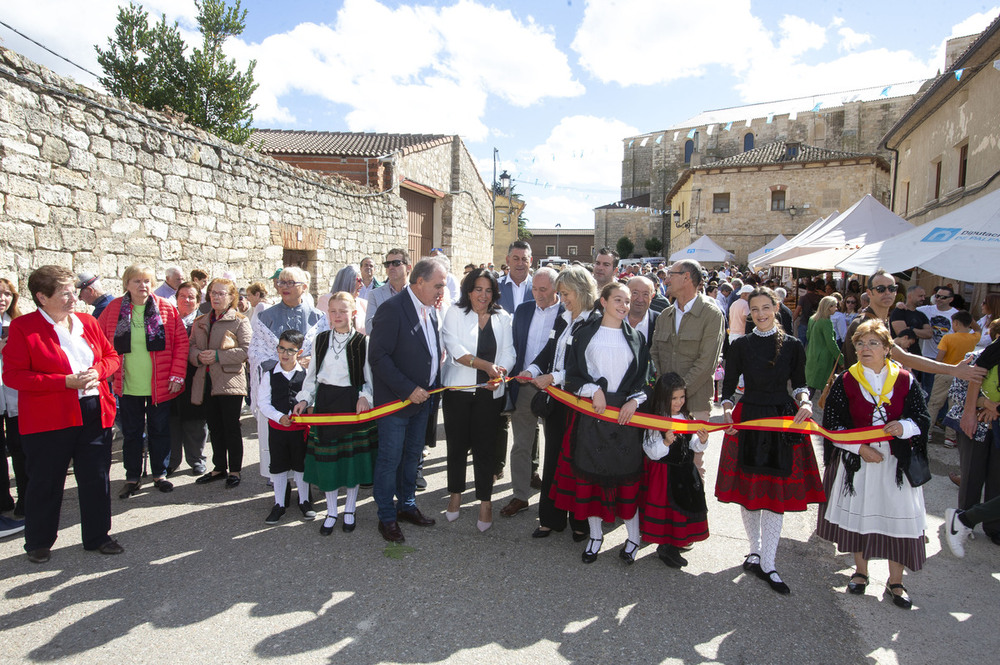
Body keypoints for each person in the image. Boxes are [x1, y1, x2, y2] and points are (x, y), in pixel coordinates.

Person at [2, 266, 123, 562]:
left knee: (96, 477)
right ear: (42, 297)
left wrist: (97, 371)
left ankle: (98, 536)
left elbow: (111, 357)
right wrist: (64, 382)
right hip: (49, 418)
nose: (74, 298)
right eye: (65, 293)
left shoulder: (86, 322)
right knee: (46, 480)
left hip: (94, 412)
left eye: (73, 290)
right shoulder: (24, 328)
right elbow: (14, 376)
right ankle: (39, 542)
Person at [717, 287, 825, 595]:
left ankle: (769, 562)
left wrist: (805, 402)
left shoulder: (792, 345)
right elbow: (728, 390)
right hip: (749, 418)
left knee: (774, 493)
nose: (761, 313)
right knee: (751, 490)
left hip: (781, 420)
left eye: (766, 307)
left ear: (775, 308)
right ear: (748, 312)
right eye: (755, 309)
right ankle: (754, 550)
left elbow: (800, 384)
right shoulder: (740, 345)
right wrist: (727, 409)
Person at [816, 320, 930, 610]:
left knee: (897, 518)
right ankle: (860, 572)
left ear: (887, 348)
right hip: (861, 463)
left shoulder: (904, 379)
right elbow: (832, 425)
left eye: (872, 343)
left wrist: (903, 427)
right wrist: (859, 448)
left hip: (895, 465)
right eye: (860, 344)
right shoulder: (846, 380)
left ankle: (896, 582)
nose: (865, 349)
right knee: (861, 517)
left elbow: (921, 418)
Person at [554, 282, 653, 564]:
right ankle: (595, 536)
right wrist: (592, 389)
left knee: (627, 479)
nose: (625, 305)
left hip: (625, 418)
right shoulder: (585, 335)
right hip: (592, 417)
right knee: (593, 479)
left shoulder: (636, 338)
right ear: (603, 302)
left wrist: (635, 400)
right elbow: (572, 373)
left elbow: (646, 377)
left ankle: (633, 537)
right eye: (618, 300)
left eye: (627, 300)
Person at [368, 257, 448, 543]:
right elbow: (378, 357)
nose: (442, 291)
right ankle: (387, 517)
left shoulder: (431, 309)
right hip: (396, 403)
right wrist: (407, 389)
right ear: (420, 281)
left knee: (412, 457)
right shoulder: (392, 309)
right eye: (438, 285)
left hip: (423, 401)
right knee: (390, 459)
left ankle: (407, 505)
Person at [516, 265, 596, 541]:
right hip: (556, 402)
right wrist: (532, 370)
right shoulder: (563, 318)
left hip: (579, 403)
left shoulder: (594, 321)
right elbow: (549, 352)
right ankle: (550, 518)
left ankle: (580, 522)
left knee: (577, 464)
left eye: (566, 293)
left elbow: (586, 368)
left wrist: (554, 377)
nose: (562, 299)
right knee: (552, 461)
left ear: (582, 291)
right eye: (560, 293)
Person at [97, 264, 188, 498]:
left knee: (159, 430)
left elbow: (180, 344)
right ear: (126, 284)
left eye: (146, 281)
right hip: (127, 385)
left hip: (160, 384)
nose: (143, 285)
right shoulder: (114, 309)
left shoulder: (166, 308)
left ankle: (160, 474)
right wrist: (104, 369)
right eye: (137, 281)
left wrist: (177, 375)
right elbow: (99, 341)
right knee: (132, 433)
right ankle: (132, 477)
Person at [293, 293, 376, 534]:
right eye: (333, 311)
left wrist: (364, 396)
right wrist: (304, 399)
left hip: (351, 405)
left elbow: (369, 379)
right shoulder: (320, 340)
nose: (337, 316)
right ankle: (331, 511)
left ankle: (349, 509)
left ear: (353, 314)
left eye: (342, 311)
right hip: (326, 405)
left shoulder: (363, 342)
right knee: (329, 462)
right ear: (328, 313)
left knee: (351, 462)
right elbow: (312, 378)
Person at [441, 268, 514, 531]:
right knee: (457, 447)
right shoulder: (454, 313)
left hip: (489, 394)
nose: (483, 295)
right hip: (457, 392)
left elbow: (509, 352)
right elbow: (455, 349)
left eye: (488, 290)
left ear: (494, 293)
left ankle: (485, 501)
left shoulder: (503, 317)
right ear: (468, 291)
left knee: (485, 449)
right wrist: (486, 366)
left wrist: (500, 373)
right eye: (478, 289)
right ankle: (455, 496)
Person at [248, 266, 328, 482]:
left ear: (303, 287)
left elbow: (324, 350)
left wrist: (310, 361)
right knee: (279, 433)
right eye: (281, 282)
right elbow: (256, 352)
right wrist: (284, 364)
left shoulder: (319, 317)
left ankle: (306, 480)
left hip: (307, 386)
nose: (284, 286)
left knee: (304, 437)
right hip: (277, 385)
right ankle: (279, 479)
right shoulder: (266, 316)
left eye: (290, 282)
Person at [501, 267, 560, 519]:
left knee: (555, 444)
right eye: (534, 289)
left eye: (543, 290)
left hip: (556, 390)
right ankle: (520, 495)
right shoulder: (524, 310)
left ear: (556, 289)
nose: (537, 294)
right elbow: (514, 344)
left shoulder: (567, 313)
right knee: (521, 444)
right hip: (525, 385)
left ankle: (555, 496)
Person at [640, 372, 710, 568]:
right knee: (668, 512)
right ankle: (666, 546)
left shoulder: (686, 416)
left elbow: (693, 445)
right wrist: (664, 442)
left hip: (685, 473)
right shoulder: (656, 421)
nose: (679, 402)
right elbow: (651, 451)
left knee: (683, 509)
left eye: (682, 397)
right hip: (665, 475)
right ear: (664, 398)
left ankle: (677, 541)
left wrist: (702, 441)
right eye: (674, 398)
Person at [189, 278, 252, 488]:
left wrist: (217, 355)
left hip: (230, 381)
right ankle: (219, 467)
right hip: (206, 381)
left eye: (221, 293)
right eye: (213, 293)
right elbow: (190, 348)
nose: (216, 297)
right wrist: (198, 356)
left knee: (231, 427)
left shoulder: (240, 321)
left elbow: (246, 350)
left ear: (231, 297)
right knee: (214, 427)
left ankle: (235, 470)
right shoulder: (200, 321)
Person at [259, 330, 311, 524]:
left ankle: (304, 501)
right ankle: (279, 504)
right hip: (278, 430)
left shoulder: (305, 375)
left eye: (291, 350)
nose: (285, 354)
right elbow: (263, 402)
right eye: (282, 348)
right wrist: (279, 416)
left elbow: (309, 397)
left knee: (301, 465)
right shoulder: (270, 374)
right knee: (279, 466)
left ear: (300, 351)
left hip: (299, 431)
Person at [954, 330, 1000, 546]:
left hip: (997, 422)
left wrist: (995, 408)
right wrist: (981, 405)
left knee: (997, 478)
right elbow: (958, 391)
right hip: (976, 425)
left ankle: (993, 527)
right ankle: (964, 521)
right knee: (972, 473)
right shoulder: (976, 357)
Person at [167, 281, 208, 476]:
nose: (187, 300)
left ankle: (197, 459)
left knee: (195, 422)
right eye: (182, 296)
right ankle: (172, 461)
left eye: (191, 297)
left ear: (198, 300)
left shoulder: (203, 322)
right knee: (171, 421)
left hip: (194, 378)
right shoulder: (166, 320)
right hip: (169, 378)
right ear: (176, 299)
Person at [928, 311, 981, 445]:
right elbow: (979, 329)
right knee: (955, 406)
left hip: (945, 372)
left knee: (934, 403)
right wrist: (970, 320)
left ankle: (927, 432)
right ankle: (950, 437)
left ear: (955, 323)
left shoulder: (948, 338)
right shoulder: (974, 337)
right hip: (963, 375)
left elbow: (939, 358)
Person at [1, 277, 26, 521]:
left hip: (16, 395)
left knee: (20, 447)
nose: (3, 298)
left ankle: (26, 500)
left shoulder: (19, 323)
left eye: (7, 294)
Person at [365, 249, 411, 332]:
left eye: (396, 263)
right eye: (387, 264)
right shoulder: (375, 294)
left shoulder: (417, 293)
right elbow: (369, 328)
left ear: (408, 268)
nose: (391, 267)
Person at [805, 295, 841, 397]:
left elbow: (808, 336)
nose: (836, 308)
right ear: (829, 307)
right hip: (823, 359)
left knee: (811, 386)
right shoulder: (826, 322)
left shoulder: (813, 319)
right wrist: (840, 359)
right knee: (824, 388)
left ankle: (802, 409)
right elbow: (831, 343)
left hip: (811, 355)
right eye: (835, 306)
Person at [319, 265, 368, 335]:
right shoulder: (326, 300)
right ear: (348, 281)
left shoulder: (364, 304)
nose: (362, 285)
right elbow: (322, 327)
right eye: (359, 280)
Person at [497, 240, 533, 314]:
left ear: (531, 261)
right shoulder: (495, 286)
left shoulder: (538, 288)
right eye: (516, 259)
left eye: (524, 259)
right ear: (508, 260)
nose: (520, 263)